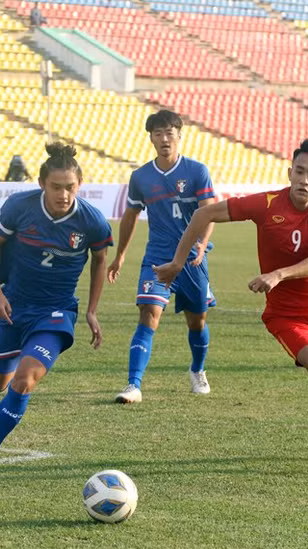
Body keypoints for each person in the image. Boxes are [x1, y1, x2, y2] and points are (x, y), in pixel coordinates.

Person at [154, 139, 308, 466]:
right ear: (289, 171)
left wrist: (278, 274)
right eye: (299, 171)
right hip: (285, 314)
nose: (304, 180)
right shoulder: (266, 204)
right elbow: (204, 214)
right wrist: (178, 262)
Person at [0, 143, 113, 476]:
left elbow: (101, 259)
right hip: (11, 306)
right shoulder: (20, 206)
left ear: (80, 185)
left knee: (24, 380)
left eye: (70, 187)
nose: (63, 194)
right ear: (43, 183)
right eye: (56, 187)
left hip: (56, 312)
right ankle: (13, 355)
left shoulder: (91, 221)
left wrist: (91, 310)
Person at [106, 109, 216, 404]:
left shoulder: (197, 171)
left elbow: (210, 212)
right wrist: (120, 256)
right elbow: (130, 216)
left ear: (180, 136)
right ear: (151, 138)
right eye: (158, 133)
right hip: (157, 257)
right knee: (148, 315)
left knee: (197, 321)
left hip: (192, 259)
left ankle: (197, 370)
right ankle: (133, 384)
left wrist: (202, 245)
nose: (164, 138)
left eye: (169, 133)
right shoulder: (141, 177)